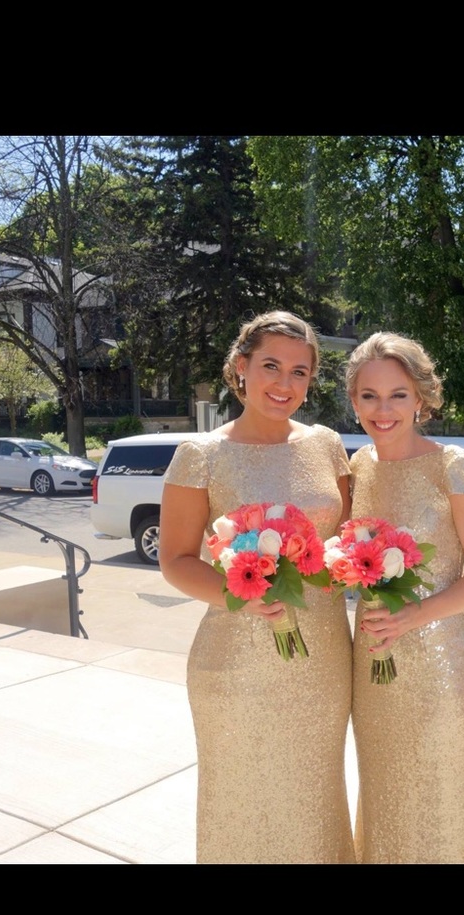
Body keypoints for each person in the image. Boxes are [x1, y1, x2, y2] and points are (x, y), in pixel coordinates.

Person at [159, 311, 355, 864]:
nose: (284, 384)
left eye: (299, 372)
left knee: (313, 794)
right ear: (240, 367)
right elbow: (175, 560)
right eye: (270, 366)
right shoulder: (201, 456)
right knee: (241, 799)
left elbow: (344, 538)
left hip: (322, 656)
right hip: (235, 661)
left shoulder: (327, 446)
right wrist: (241, 593)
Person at [346, 332, 464, 864]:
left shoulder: (455, 466)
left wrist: (415, 616)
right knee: (386, 801)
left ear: (422, 398)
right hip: (372, 670)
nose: (383, 409)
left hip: (440, 670)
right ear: (353, 400)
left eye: (397, 394)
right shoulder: (359, 468)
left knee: (437, 807)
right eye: (369, 396)